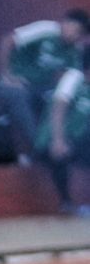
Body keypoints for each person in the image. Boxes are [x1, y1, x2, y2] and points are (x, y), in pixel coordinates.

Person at [0, 9, 90, 160]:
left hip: (43, 87)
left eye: (80, 34)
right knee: (17, 95)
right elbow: (7, 41)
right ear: (65, 22)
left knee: (67, 102)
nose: (75, 35)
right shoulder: (46, 29)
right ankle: (37, 149)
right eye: (74, 29)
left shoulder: (76, 49)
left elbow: (74, 77)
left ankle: (61, 148)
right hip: (17, 83)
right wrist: (7, 74)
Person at [36, 66, 90, 215]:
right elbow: (59, 106)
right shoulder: (74, 77)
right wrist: (58, 140)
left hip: (78, 140)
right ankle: (66, 204)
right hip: (53, 137)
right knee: (58, 155)